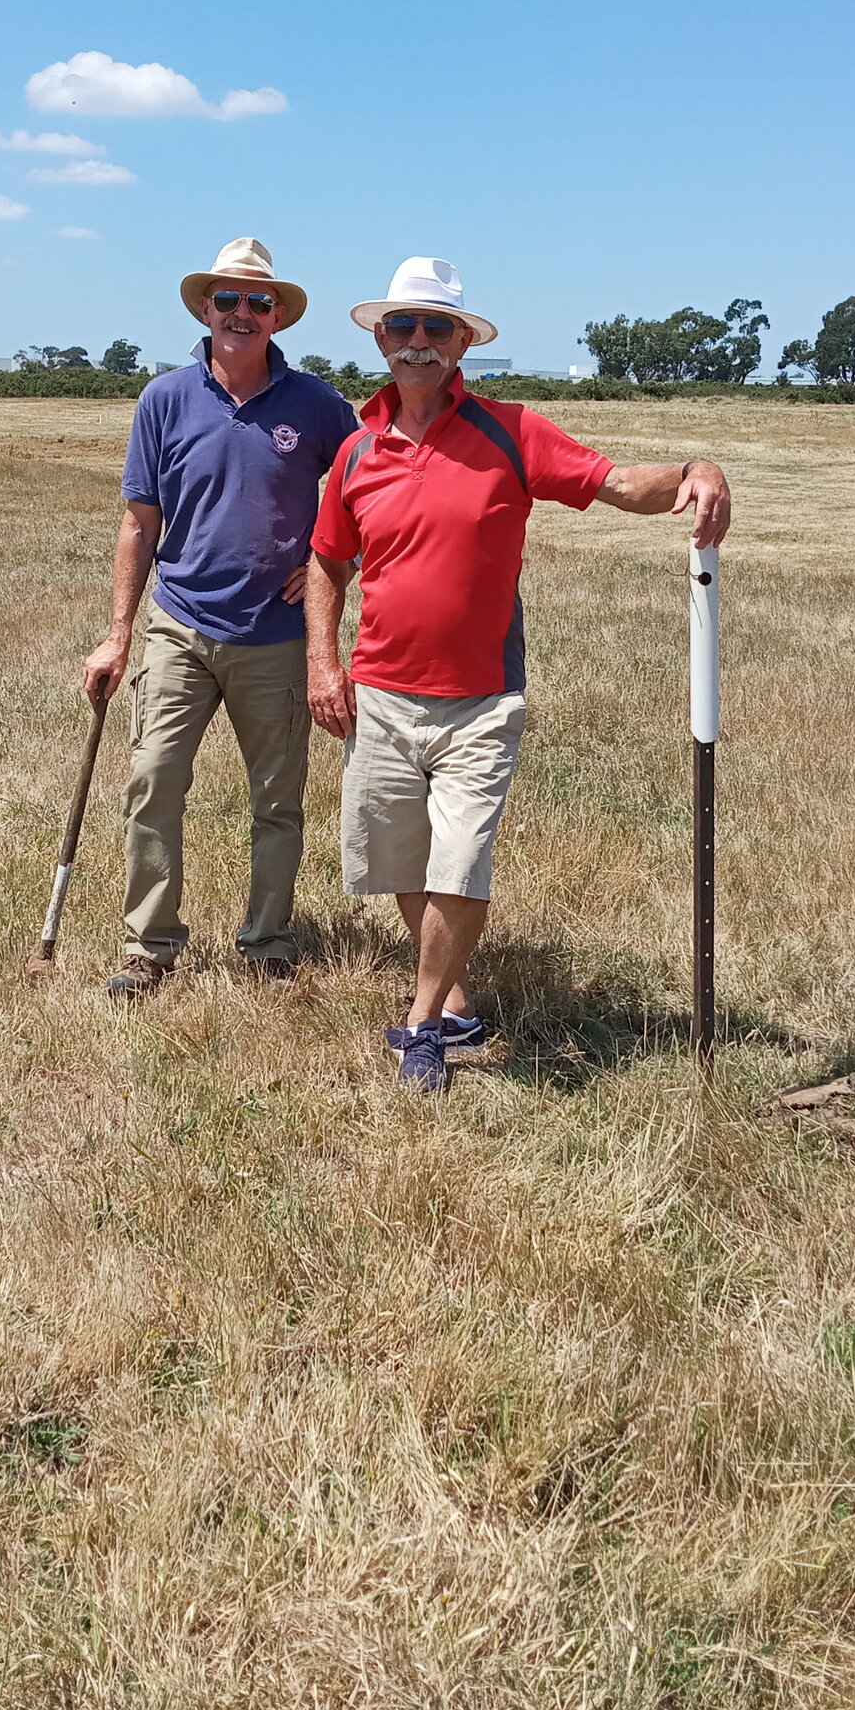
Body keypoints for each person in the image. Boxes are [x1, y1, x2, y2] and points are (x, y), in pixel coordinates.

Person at [305, 257, 732, 1088]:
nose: (418, 342)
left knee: (459, 861)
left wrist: (692, 473)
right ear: (380, 339)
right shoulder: (357, 452)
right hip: (380, 695)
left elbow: (614, 483)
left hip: (480, 702)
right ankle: (456, 995)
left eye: (437, 327)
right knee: (399, 862)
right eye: (403, 326)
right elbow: (326, 562)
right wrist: (324, 661)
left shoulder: (511, 430)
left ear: (463, 342)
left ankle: (424, 1026)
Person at [83, 237, 359, 997]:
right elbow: (140, 525)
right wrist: (117, 636)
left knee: (277, 801)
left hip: (276, 637)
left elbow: (371, 485)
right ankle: (150, 946)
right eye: (228, 300)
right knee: (152, 780)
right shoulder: (164, 399)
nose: (242, 313)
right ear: (206, 308)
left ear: (278, 317)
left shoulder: (317, 405)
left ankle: (268, 940)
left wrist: (334, 561)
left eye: (258, 302)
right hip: (179, 626)